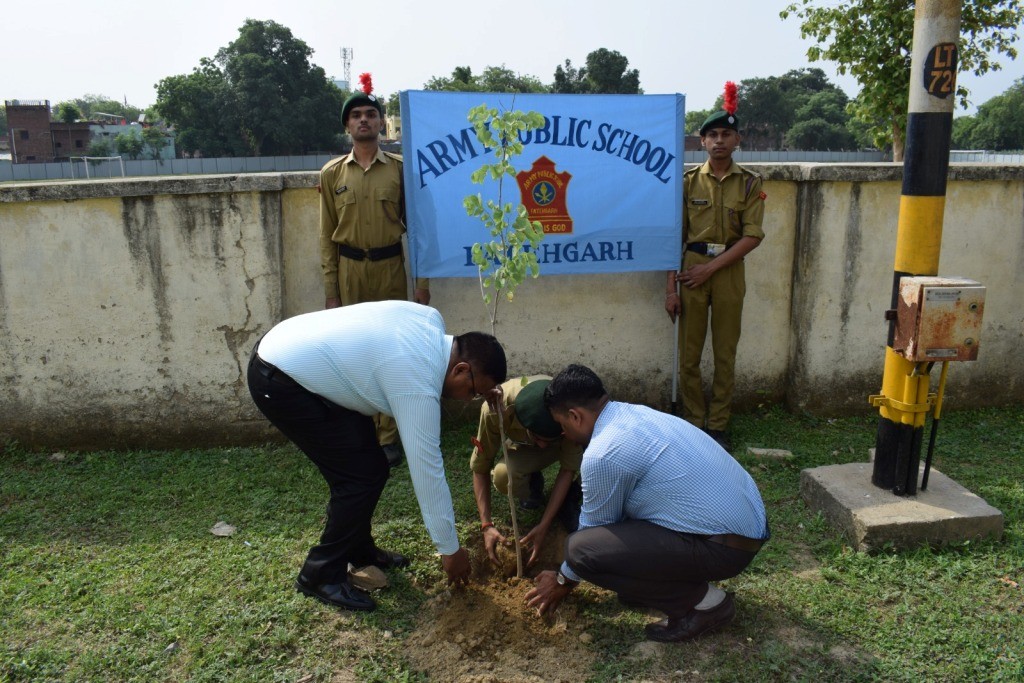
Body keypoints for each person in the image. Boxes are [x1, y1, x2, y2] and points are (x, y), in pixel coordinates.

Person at [247, 300, 506, 612]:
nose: (470, 400)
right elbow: (427, 471)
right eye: (473, 391)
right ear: (461, 369)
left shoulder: (430, 320)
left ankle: (359, 548)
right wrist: (450, 550)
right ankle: (320, 572)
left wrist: (485, 386)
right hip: (281, 378)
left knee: (372, 468)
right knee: (357, 477)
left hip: (290, 347)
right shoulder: (417, 382)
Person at [525, 364, 769, 643]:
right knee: (609, 539)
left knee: (580, 550)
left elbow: (591, 535)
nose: (564, 434)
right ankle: (649, 586)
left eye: (561, 425)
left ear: (574, 416)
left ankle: (705, 603)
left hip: (724, 548)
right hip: (747, 530)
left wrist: (561, 580)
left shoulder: (603, 452)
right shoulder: (635, 413)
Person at [319, 74, 429, 466]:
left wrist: (422, 283)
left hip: (390, 269)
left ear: (382, 122)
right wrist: (331, 291)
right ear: (347, 126)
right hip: (350, 270)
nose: (363, 120)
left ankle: (388, 435)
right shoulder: (332, 174)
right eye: (356, 116)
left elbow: (417, 231)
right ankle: (360, 430)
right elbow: (326, 237)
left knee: (391, 352)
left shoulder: (399, 171)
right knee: (354, 353)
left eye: (370, 114)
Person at [665, 83, 766, 451]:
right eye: (712, 135)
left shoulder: (751, 183)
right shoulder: (687, 181)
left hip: (727, 271)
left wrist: (711, 269)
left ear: (737, 140)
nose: (719, 141)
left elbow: (752, 236)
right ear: (702, 142)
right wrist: (669, 289)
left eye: (726, 134)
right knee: (689, 356)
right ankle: (693, 422)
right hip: (690, 270)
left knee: (725, 354)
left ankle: (719, 424)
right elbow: (672, 238)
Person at [470, 375, 584, 567]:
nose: (542, 446)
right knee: (503, 476)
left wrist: (544, 525)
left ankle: (574, 494)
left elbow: (567, 469)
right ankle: (533, 484)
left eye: (547, 439)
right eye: (538, 437)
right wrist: (486, 524)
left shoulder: (567, 417)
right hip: (522, 445)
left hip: (566, 442)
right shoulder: (496, 409)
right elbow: (481, 466)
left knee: (591, 457)